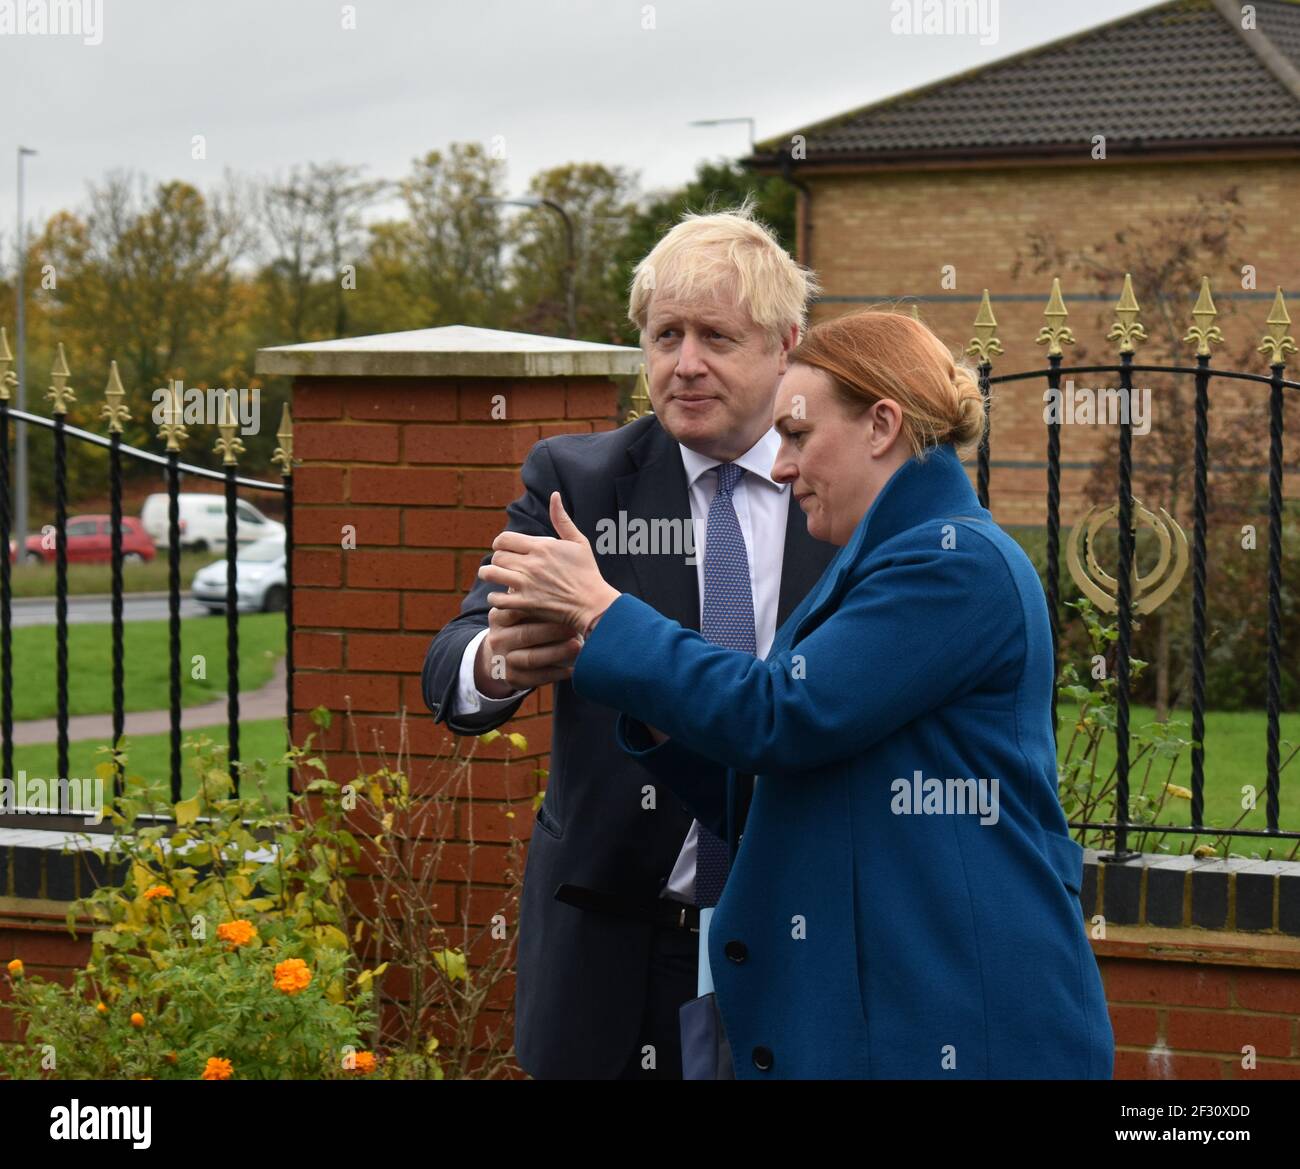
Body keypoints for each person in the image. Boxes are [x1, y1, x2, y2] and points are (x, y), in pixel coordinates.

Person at [478, 308, 1116, 1079]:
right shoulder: (876, 563)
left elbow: (781, 715)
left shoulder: (954, 564)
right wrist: (612, 666)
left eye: (799, 435)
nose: (780, 467)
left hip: (964, 1021)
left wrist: (605, 609)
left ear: (882, 424)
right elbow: (786, 782)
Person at [420, 201, 834, 1078]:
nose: (684, 365)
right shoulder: (579, 483)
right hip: (611, 944)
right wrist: (495, 662)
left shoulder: (838, 490)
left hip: (804, 935)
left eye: (715, 337)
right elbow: (451, 663)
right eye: (664, 335)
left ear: (786, 343)